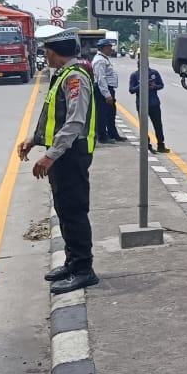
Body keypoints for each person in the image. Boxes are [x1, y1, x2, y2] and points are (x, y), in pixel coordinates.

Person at [18, 27, 99, 294]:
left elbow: (75, 121)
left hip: (71, 154)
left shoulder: (75, 78)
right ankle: (73, 262)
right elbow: (54, 116)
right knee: (64, 210)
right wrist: (35, 139)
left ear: (53, 53)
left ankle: (84, 269)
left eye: (46, 52)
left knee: (74, 211)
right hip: (62, 153)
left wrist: (50, 156)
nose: (46, 56)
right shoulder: (62, 75)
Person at [128, 65, 170, 154]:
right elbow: (131, 90)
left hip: (154, 103)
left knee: (158, 124)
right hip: (141, 104)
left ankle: (161, 144)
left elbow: (161, 85)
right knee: (143, 125)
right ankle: (146, 145)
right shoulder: (134, 75)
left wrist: (154, 86)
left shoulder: (154, 73)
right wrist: (142, 85)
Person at [91, 39, 126, 144]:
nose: (111, 49)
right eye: (109, 47)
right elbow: (101, 78)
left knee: (110, 113)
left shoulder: (103, 59)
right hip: (103, 90)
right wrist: (107, 95)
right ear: (104, 48)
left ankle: (113, 134)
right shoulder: (100, 60)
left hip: (107, 89)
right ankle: (102, 136)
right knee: (102, 114)